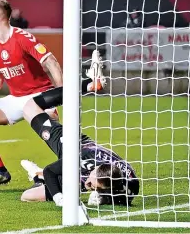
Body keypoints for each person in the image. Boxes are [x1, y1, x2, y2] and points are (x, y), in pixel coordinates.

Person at [18, 52, 138, 207]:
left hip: (79, 163)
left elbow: (126, 197)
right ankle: (38, 175)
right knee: (33, 109)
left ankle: (37, 176)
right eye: (90, 181)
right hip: (71, 145)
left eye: (91, 184)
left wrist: (103, 197)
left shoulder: (124, 178)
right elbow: (51, 171)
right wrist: (59, 198)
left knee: (28, 195)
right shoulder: (79, 163)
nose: (88, 183)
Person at [0, 0, 63, 186]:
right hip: (17, 98)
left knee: (54, 138)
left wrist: (60, 92)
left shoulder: (22, 37)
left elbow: (50, 61)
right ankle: (0, 171)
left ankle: (71, 171)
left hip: (40, 97)